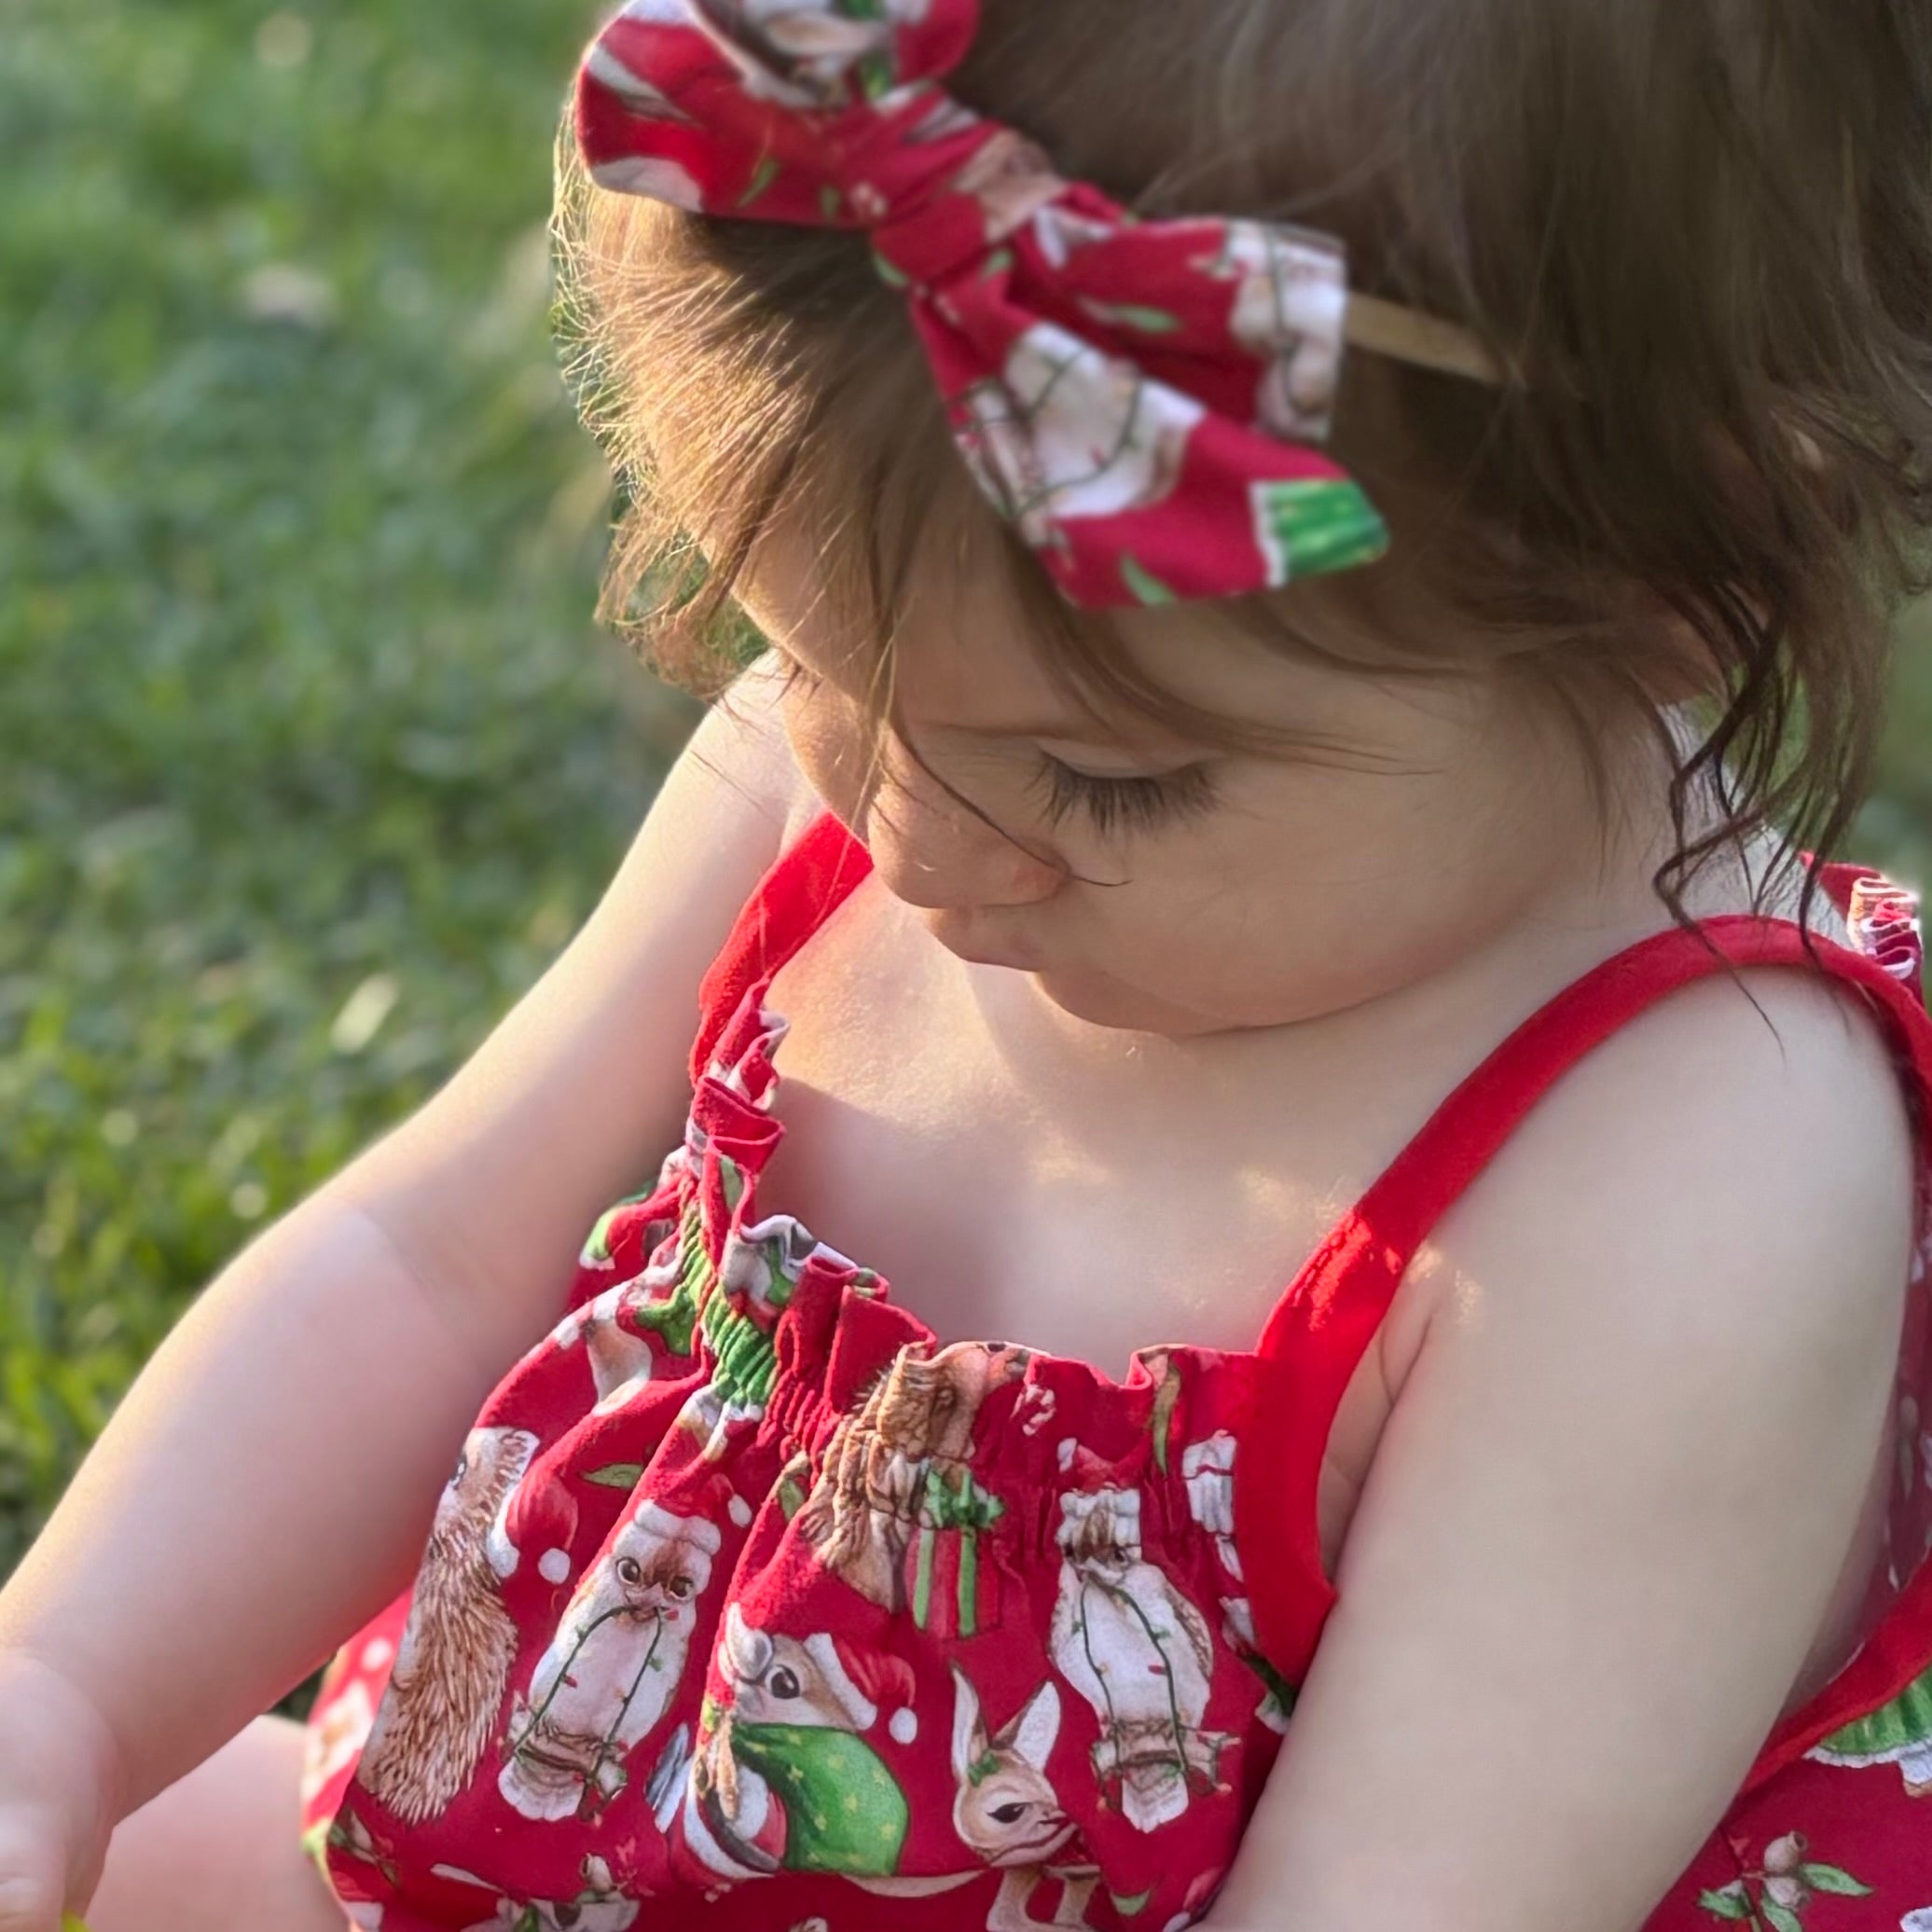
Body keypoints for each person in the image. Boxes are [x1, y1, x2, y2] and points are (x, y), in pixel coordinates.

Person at [7, 2, 1932, 1928]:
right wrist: (65, 1694)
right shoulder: (891, 758)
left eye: (1114, 779)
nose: (910, 841)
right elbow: (425, 1262)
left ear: (1669, 579)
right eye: (825, 668)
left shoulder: (1687, 1176)